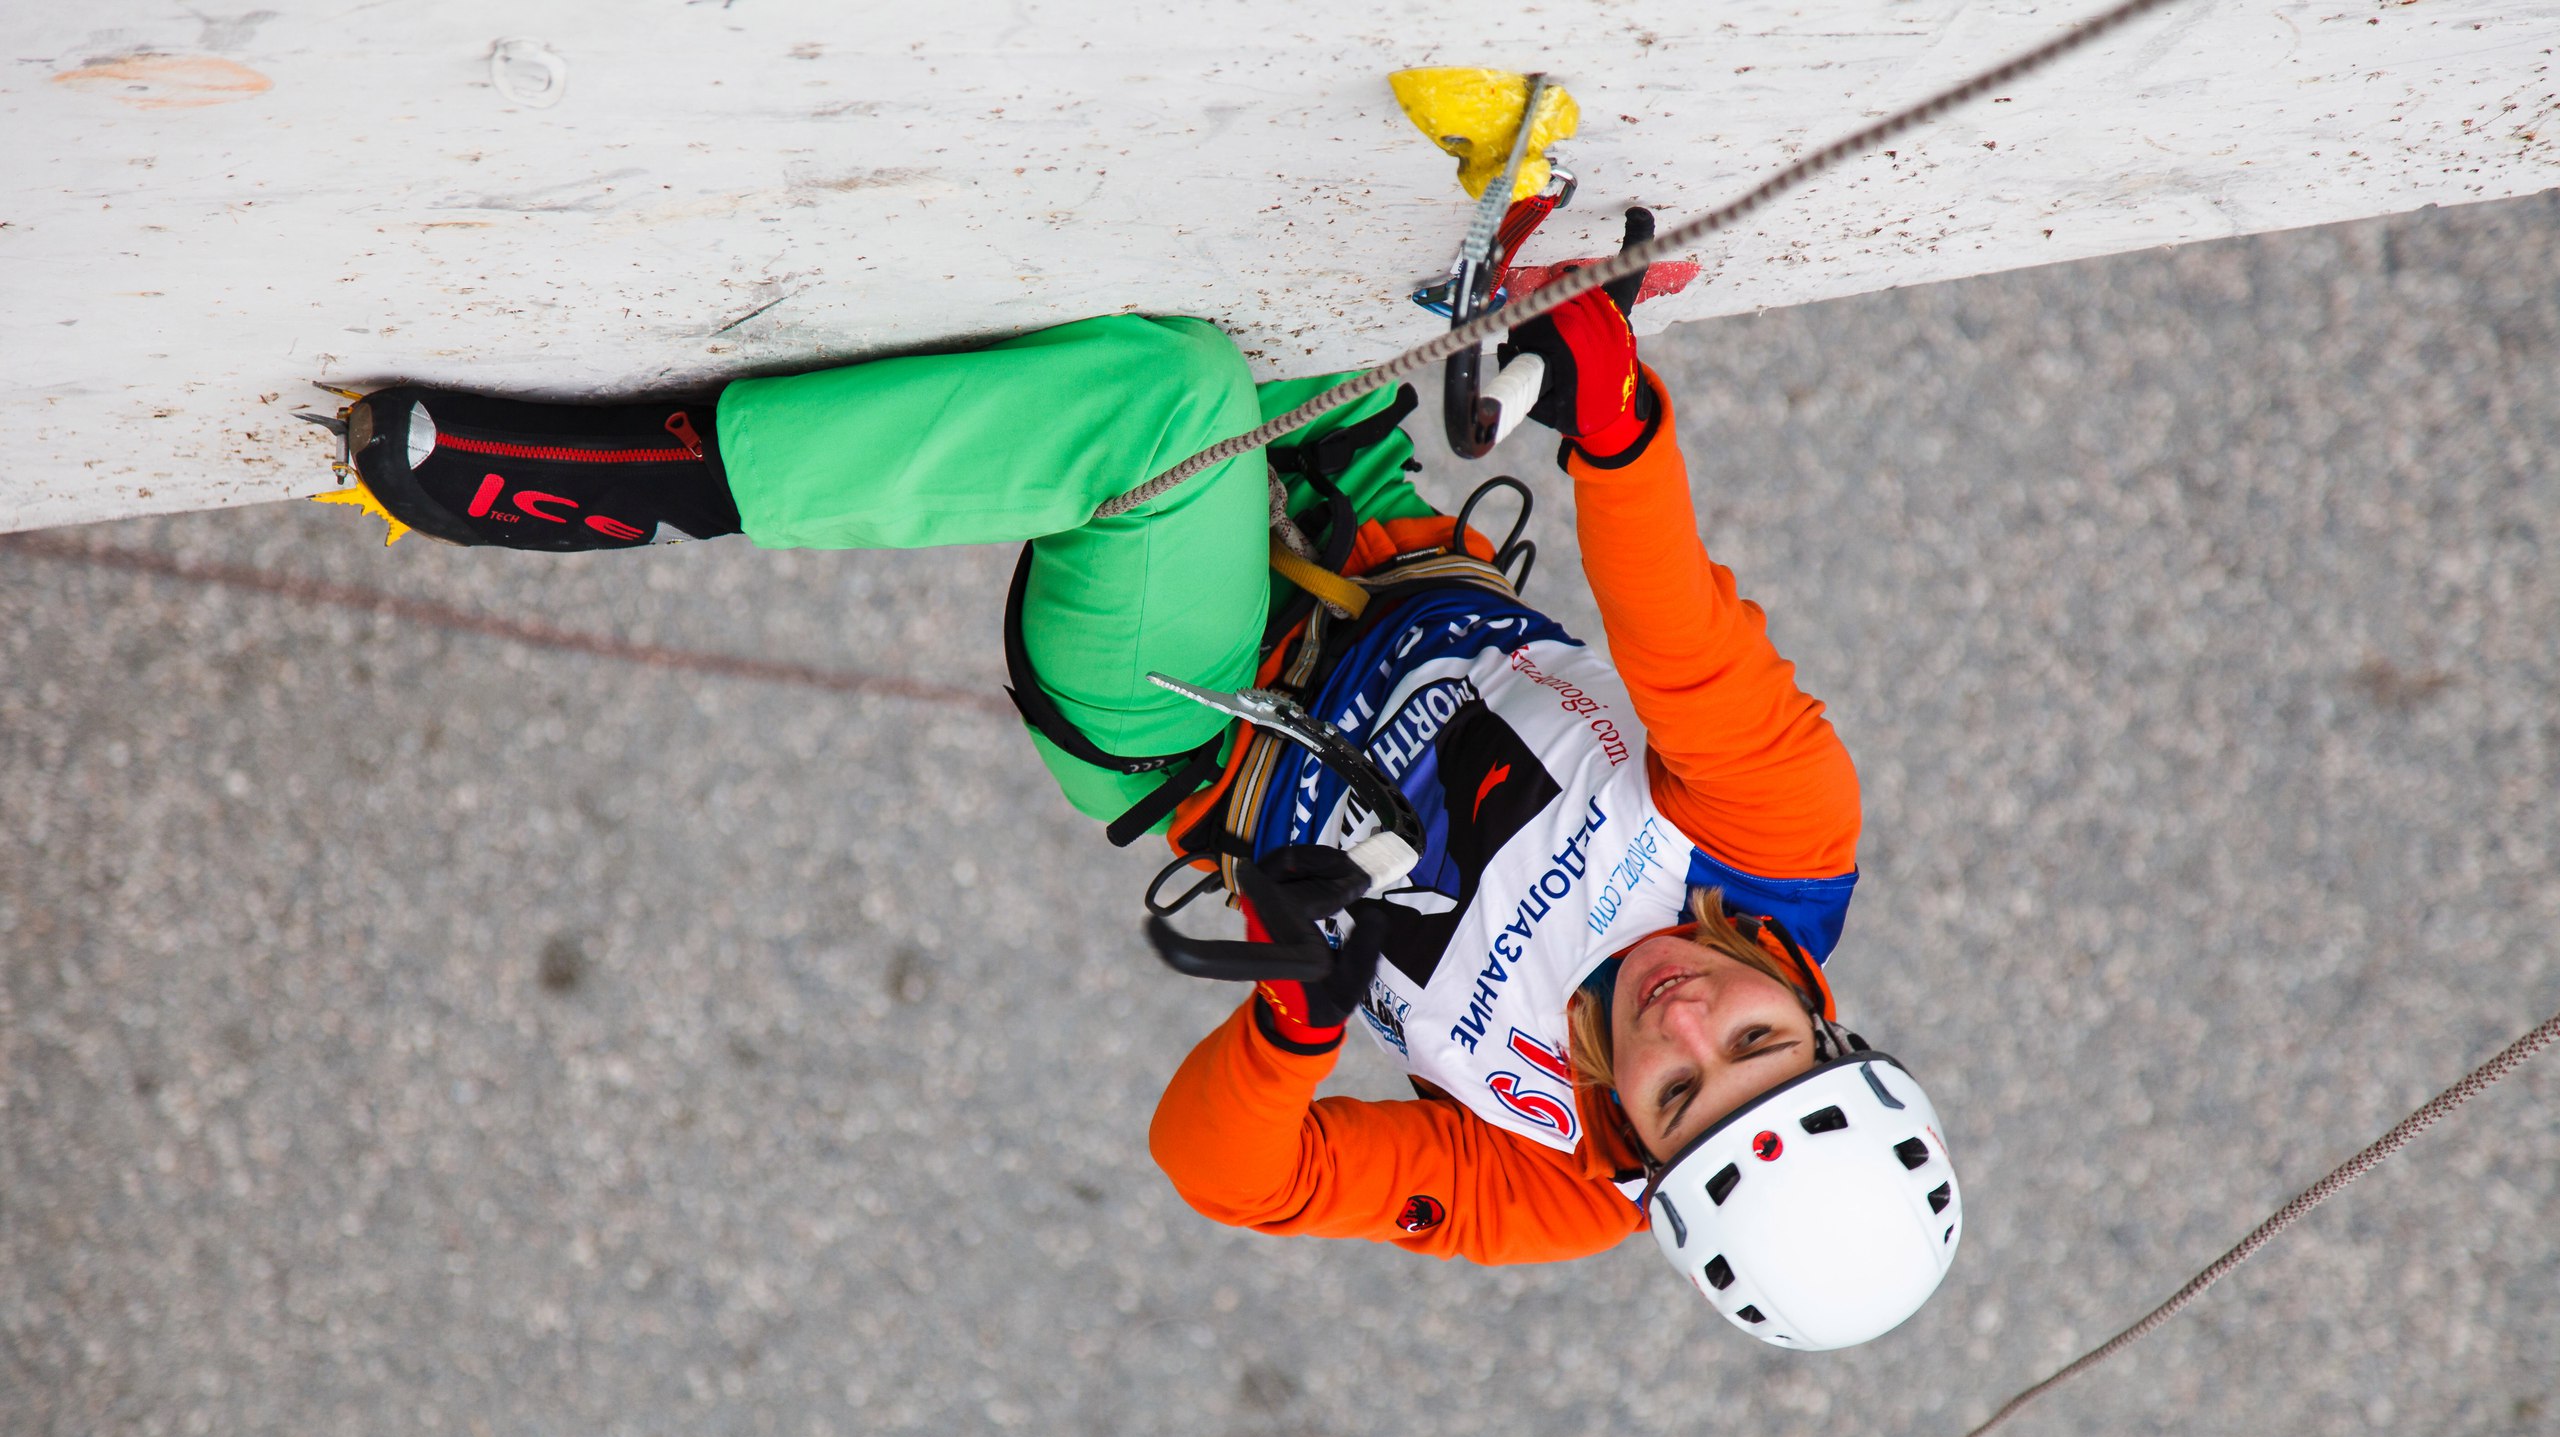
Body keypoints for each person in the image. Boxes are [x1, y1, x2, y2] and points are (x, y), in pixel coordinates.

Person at [326, 214, 1961, 1350]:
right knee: (1243, 240)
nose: (1685, 1020)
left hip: (1188, 716)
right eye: (1754, 1041)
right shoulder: (1786, 846)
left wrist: (1296, 1025)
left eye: (1681, 1094)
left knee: (1165, 397)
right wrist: (1613, 418)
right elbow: (1683, 640)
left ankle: (646, 484)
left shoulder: (1554, 1181)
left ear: (1641, 1146)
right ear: (1824, 1018)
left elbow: (1230, 1174)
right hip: (1365, 521)